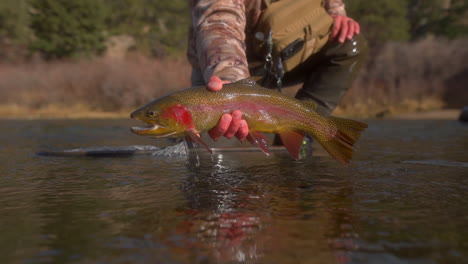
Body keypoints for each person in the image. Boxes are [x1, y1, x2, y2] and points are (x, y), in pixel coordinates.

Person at [188, 0, 367, 143]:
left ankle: (302, 134)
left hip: (283, 60)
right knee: (211, 149)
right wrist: (231, 80)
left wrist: (335, 14)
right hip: (225, 72)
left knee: (349, 42)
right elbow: (219, 22)